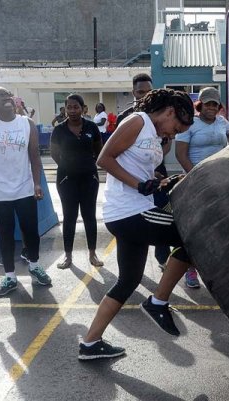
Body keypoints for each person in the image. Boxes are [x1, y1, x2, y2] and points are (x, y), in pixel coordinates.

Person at [79, 89, 195, 360]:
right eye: (176, 127)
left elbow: (134, 166)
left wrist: (157, 178)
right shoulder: (138, 121)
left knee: (128, 280)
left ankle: (90, 343)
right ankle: (157, 303)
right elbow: (104, 159)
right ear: (168, 112)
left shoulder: (154, 135)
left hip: (132, 212)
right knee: (192, 239)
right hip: (130, 212)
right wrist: (140, 185)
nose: (174, 134)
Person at [0, 86, 52, 297]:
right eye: (1, 96)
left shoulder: (27, 123)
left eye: (8, 94)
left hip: (24, 186)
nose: (6, 98)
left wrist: (37, 184)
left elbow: (34, 156)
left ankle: (34, 266)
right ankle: (10, 276)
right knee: (5, 233)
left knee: (30, 230)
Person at [175, 86, 229, 288]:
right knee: (196, 229)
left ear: (219, 107)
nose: (210, 107)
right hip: (195, 182)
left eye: (214, 104)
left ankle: (215, 270)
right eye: (207, 103)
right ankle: (190, 270)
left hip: (219, 181)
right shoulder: (190, 124)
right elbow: (180, 154)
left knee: (219, 227)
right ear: (199, 105)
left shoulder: (222, 123)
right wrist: (196, 176)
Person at [116, 73, 172, 273]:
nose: (144, 96)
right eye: (140, 92)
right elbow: (116, 153)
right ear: (133, 92)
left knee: (163, 214)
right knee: (129, 226)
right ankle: (127, 271)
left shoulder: (161, 115)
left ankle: (163, 259)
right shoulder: (127, 117)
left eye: (148, 92)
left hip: (157, 174)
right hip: (132, 182)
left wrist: (154, 164)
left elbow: (167, 143)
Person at [50, 94, 104, 269]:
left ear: (83, 108)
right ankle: (68, 256)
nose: (72, 111)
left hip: (90, 178)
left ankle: (92, 254)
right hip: (66, 180)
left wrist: (86, 165)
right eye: (69, 107)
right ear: (65, 108)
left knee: (89, 216)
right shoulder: (59, 130)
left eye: (76, 107)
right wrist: (68, 167)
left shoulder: (91, 127)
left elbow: (98, 150)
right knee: (69, 216)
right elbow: (54, 154)